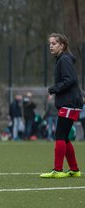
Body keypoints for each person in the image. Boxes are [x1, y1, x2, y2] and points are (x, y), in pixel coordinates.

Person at [40, 33, 83, 178]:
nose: (51, 46)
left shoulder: (64, 60)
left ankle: (57, 170)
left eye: (54, 43)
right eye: (50, 43)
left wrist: (54, 88)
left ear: (62, 46)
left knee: (59, 135)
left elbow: (70, 80)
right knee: (64, 137)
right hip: (71, 103)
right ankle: (74, 169)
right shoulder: (63, 59)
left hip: (70, 103)